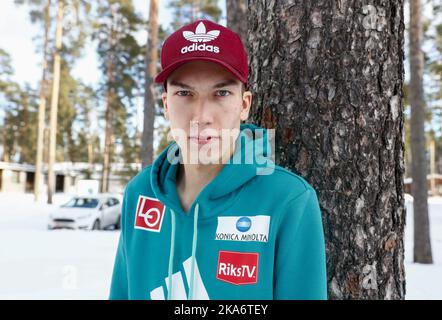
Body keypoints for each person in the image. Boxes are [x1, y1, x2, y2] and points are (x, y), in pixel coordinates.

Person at [109, 19, 327, 300]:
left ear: (244, 105)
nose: (202, 116)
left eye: (221, 93)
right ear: (166, 104)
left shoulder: (288, 199)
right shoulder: (140, 194)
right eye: (184, 93)